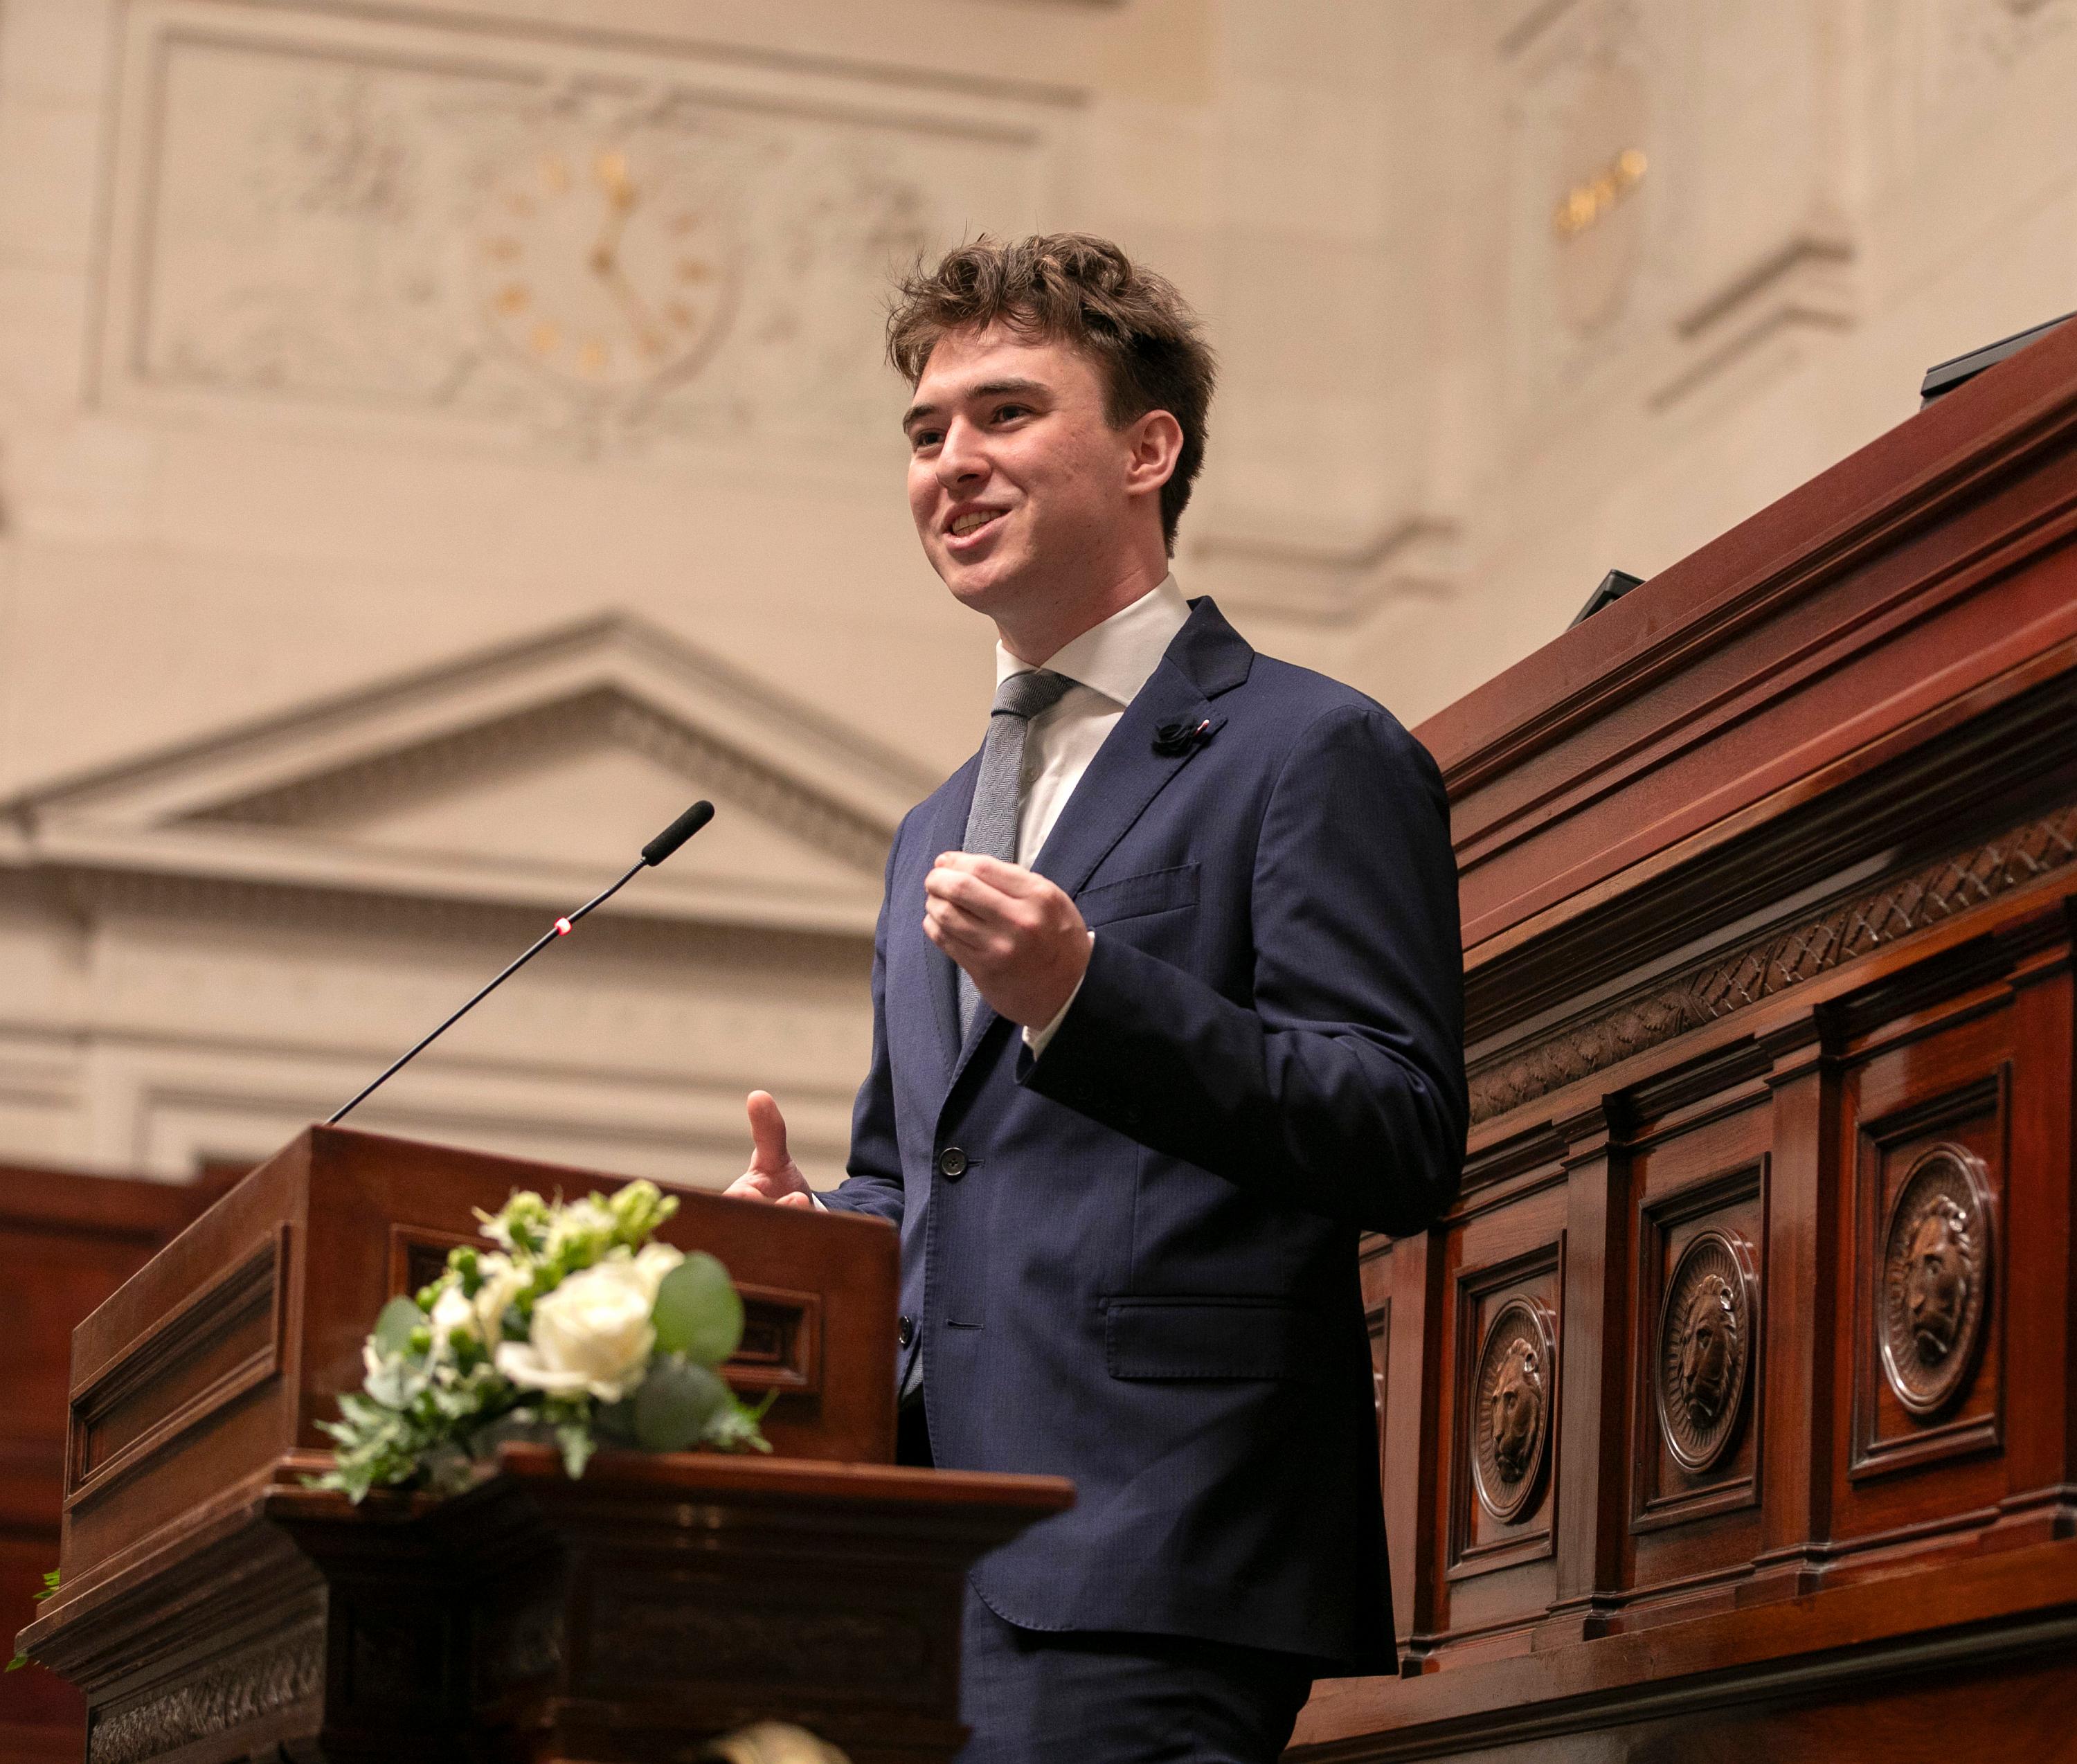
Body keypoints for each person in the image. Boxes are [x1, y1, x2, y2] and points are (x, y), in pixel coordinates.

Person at [725, 233, 1466, 1764]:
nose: (952, 463)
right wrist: (821, 1250)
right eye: (925, 433)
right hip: (916, 1564)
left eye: (1004, 414)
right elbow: (917, 1169)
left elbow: (1398, 1123)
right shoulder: (932, 825)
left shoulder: (1310, 749)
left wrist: (1087, 996)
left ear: (1148, 449)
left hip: (1152, 1546)